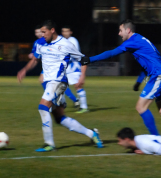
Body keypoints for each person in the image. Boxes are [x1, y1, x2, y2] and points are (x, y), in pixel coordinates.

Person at [80, 19, 161, 135]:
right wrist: (138, 82)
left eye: (120, 31)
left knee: (141, 107)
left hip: (158, 75)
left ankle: (157, 140)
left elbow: (111, 53)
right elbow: (146, 65)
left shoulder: (133, 41)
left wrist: (90, 60)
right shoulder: (140, 40)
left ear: (128, 30)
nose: (119, 33)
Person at [17, 20, 103, 152]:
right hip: (49, 83)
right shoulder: (40, 43)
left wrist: (82, 75)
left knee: (43, 107)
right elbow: (34, 60)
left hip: (59, 82)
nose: (42, 35)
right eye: (41, 32)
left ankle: (49, 144)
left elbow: (83, 59)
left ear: (52, 30)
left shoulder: (66, 44)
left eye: (44, 32)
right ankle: (92, 134)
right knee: (60, 118)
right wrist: (24, 70)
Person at [61, 25, 87, 112]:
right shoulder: (63, 40)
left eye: (67, 31)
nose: (65, 33)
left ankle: (84, 107)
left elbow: (72, 54)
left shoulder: (73, 40)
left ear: (70, 32)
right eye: (63, 31)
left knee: (78, 86)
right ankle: (62, 104)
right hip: (67, 67)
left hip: (74, 66)